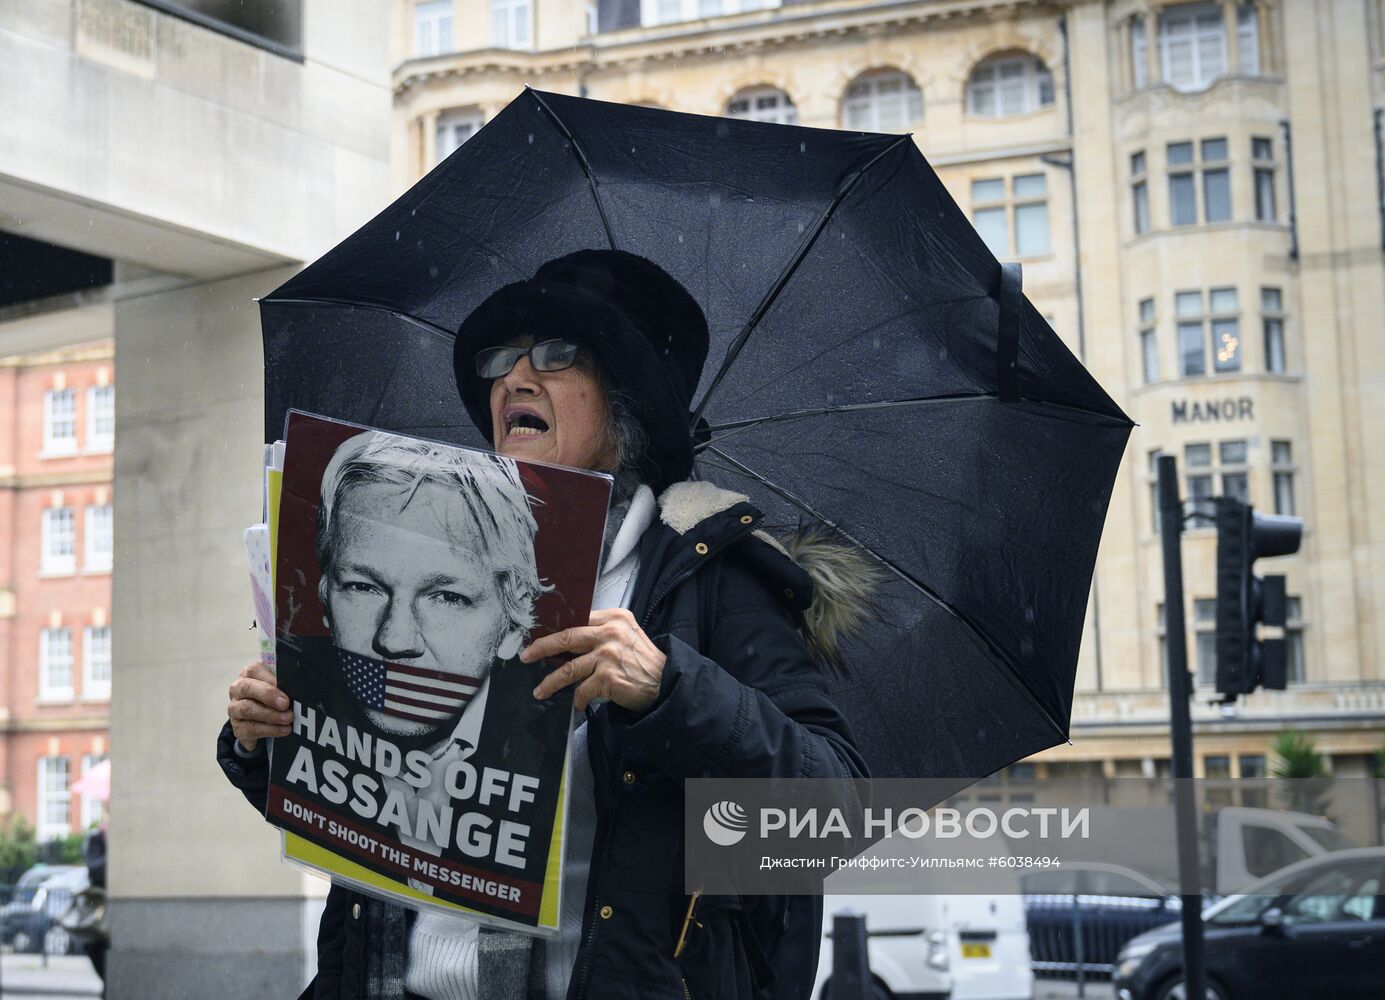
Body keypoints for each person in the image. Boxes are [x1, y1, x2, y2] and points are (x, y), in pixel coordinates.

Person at [220, 249, 875, 1000]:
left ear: (626, 402)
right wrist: (268, 737)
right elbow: (365, 806)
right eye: (501, 360)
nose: (513, 379)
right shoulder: (422, 551)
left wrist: (668, 690)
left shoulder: (715, 582)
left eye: (557, 356)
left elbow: (833, 813)